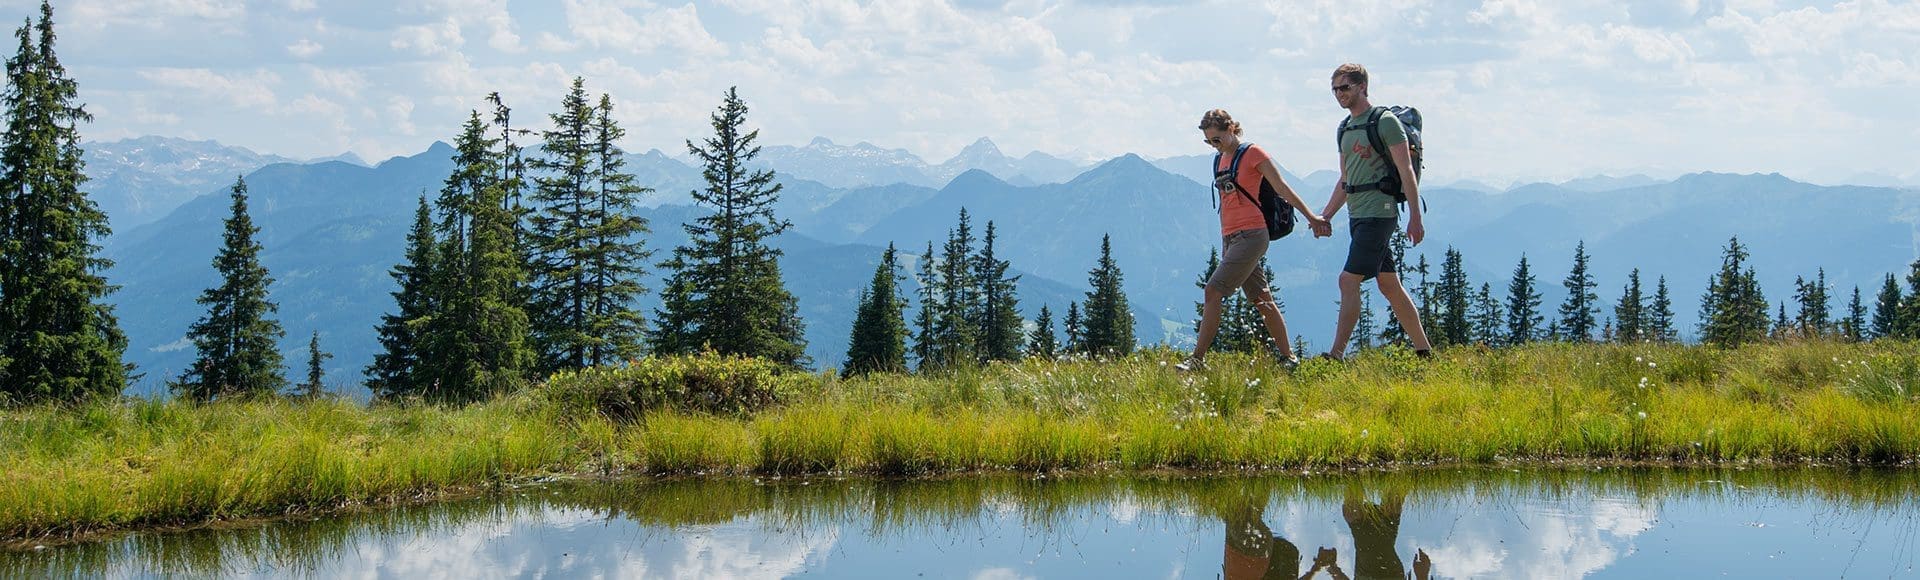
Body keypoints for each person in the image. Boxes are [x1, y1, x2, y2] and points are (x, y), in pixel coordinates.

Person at [1180, 109, 1331, 372]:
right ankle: (1289, 358)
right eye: (1208, 141)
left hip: (1252, 235)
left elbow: (1282, 188)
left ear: (1230, 129)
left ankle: (1197, 360)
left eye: (1217, 139)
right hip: (1232, 237)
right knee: (1262, 298)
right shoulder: (1220, 160)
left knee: (1213, 291)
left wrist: (1312, 217)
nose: (1213, 146)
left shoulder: (1253, 154)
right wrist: (1226, 240)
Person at [1317, 64, 1433, 361]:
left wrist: (1415, 218)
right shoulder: (1344, 128)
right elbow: (1346, 180)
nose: (1339, 94)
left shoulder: (1385, 122)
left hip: (1380, 212)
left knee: (1348, 280)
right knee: (1388, 283)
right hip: (1357, 214)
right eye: (1335, 89)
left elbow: (1406, 170)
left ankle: (1336, 356)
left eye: (1345, 88)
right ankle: (1424, 351)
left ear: (1362, 87)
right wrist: (1326, 215)